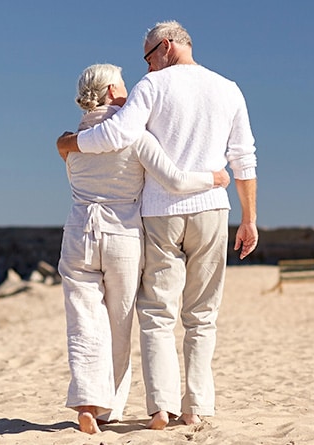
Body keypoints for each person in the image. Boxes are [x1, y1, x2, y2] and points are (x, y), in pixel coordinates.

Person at [56, 21, 258, 429]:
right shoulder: (229, 88)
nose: (146, 69)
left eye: (148, 58)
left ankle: (159, 407)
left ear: (165, 47)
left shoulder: (153, 87)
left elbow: (116, 133)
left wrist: (70, 144)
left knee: (155, 315)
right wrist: (249, 218)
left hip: (156, 214)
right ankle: (195, 407)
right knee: (202, 315)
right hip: (211, 211)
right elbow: (244, 158)